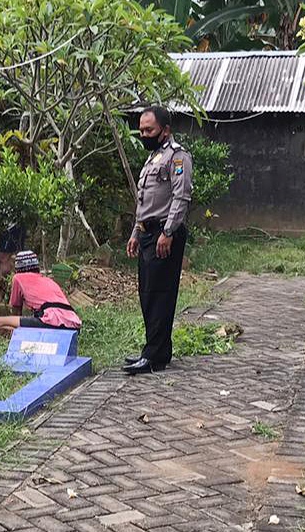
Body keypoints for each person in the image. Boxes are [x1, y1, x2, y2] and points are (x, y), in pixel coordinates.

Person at [123, 106, 193, 375]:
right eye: (141, 130)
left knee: (160, 295)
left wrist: (168, 232)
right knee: (147, 294)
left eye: (149, 130)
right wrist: (136, 232)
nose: (144, 134)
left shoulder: (177, 157)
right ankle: (154, 350)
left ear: (165, 130)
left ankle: (155, 356)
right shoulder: (154, 158)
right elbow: (146, 201)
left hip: (165, 234)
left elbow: (181, 197)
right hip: (149, 233)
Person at [0, 250, 81, 336]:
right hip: (73, 323)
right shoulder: (48, 280)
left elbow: (16, 311)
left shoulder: (18, 278)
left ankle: (22, 342)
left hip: (50, 320)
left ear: (17, 267)